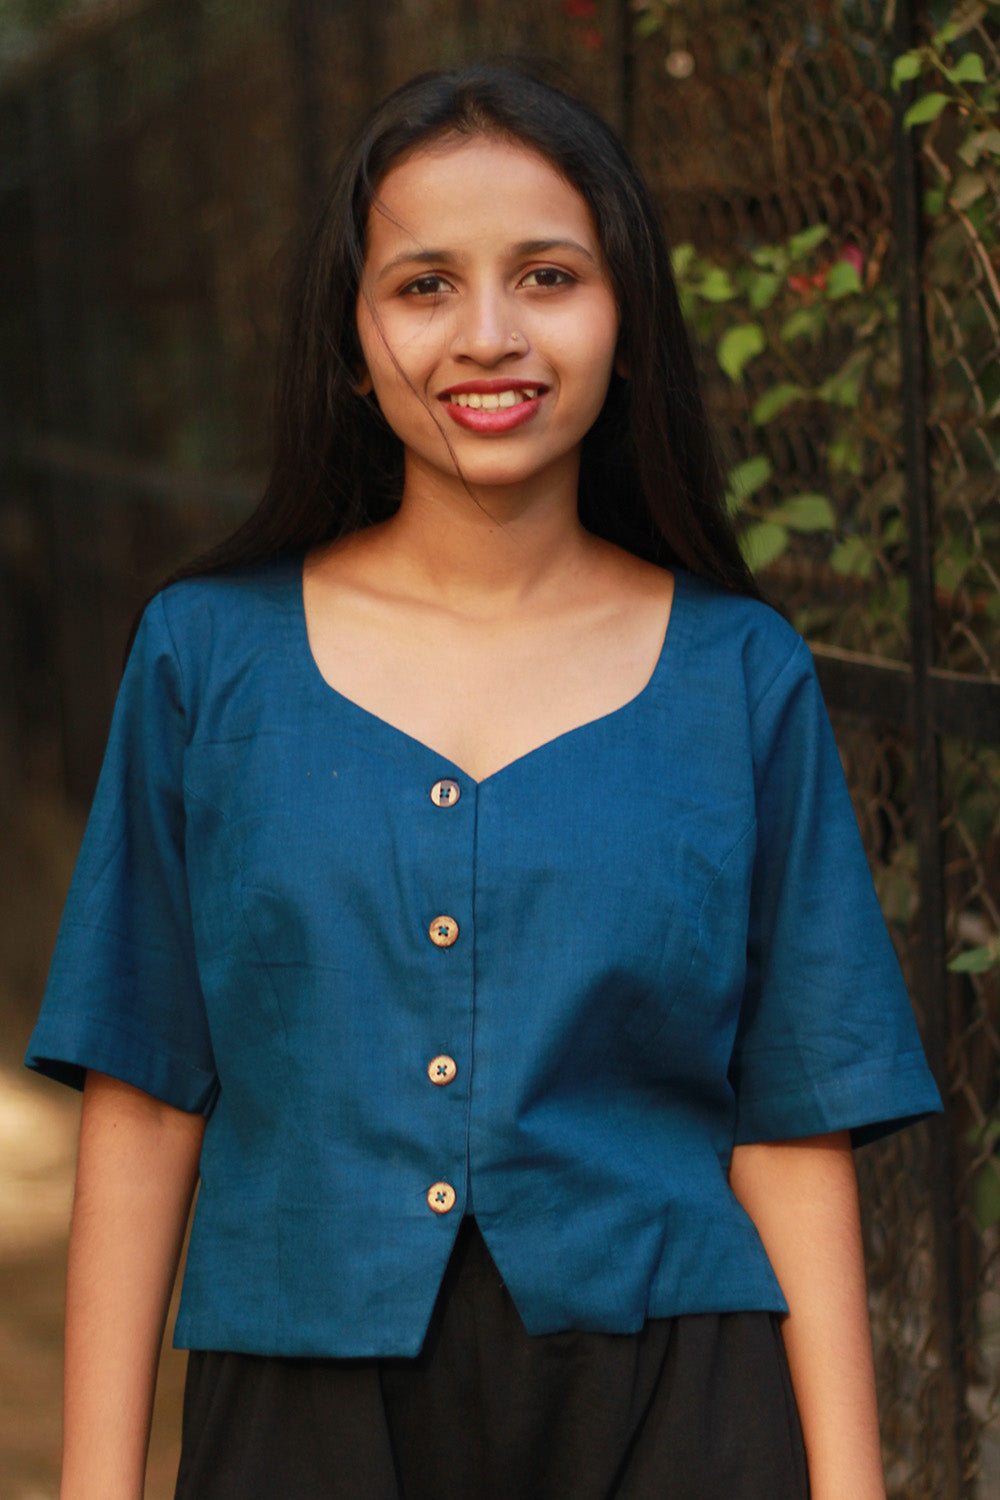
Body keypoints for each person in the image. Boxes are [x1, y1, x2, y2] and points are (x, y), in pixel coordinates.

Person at [27, 63, 941, 1500]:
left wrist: (852, 1488)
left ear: (626, 318)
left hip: (678, 1403)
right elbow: (144, 1099)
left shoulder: (740, 676)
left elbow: (791, 1123)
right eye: (424, 287)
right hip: (301, 1407)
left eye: (548, 275)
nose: (491, 335)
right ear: (350, 333)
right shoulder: (208, 660)